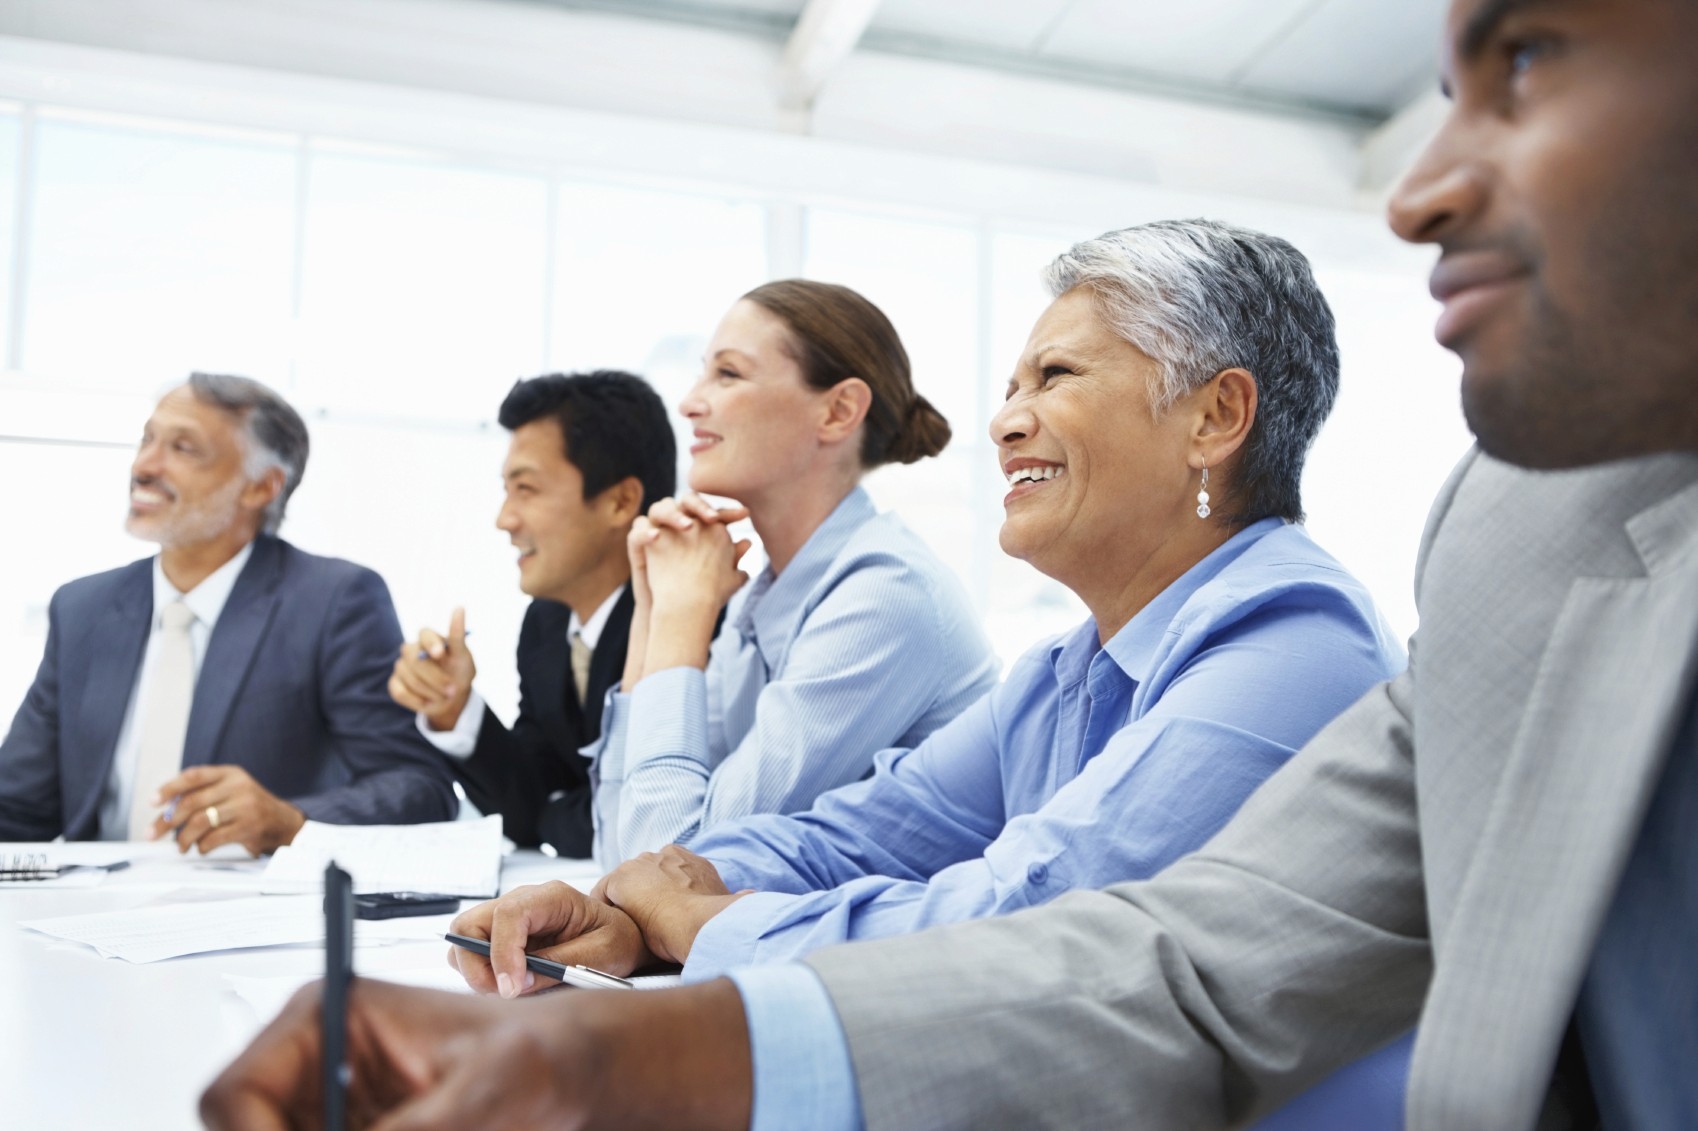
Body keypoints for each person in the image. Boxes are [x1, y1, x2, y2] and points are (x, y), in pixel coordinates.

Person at [201, 0, 1698, 1125]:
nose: (1417, 188)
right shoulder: (1522, 544)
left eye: (1524, 61)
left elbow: (1032, 912)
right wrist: (610, 1019)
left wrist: (682, 902)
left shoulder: (1283, 633)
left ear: (1213, 417)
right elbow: (975, 876)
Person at [589, 279, 999, 862]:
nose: (689, 402)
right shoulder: (767, 595)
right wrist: (653, 609)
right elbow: (617, 846)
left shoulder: (887, 593)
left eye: (727, 374)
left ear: (837, 411)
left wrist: (682, 616)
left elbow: (678, 866)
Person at [0, 374, 454, 854]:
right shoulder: (82, 608)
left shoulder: (334, 601)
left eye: (183, 448)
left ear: (261, 487)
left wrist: (291, 821)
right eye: (147, 439)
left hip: (245, 912)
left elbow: (420, 789)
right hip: (84, 913)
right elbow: (17, 807)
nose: (145, 465)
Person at [387, 371, 675, 858]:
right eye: (507, 490)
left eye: (527, 489)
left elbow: (640, 818)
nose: (505, 519)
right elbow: (525, 808)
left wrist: (554, 815)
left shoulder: (686, 618)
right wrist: (455, 707)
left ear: (620, 501)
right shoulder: (547, 622)